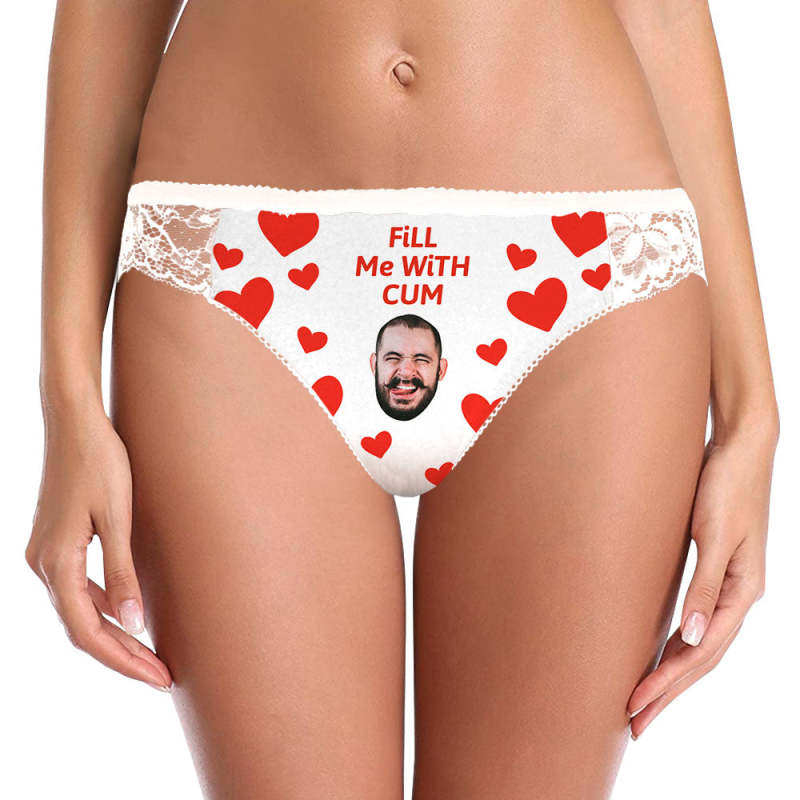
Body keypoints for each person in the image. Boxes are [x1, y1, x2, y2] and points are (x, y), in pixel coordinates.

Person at [26, 1, 779, 797]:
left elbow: (662, 13)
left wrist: (751, 413)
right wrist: (66, 398)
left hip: (587, 259)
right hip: (232, 263)